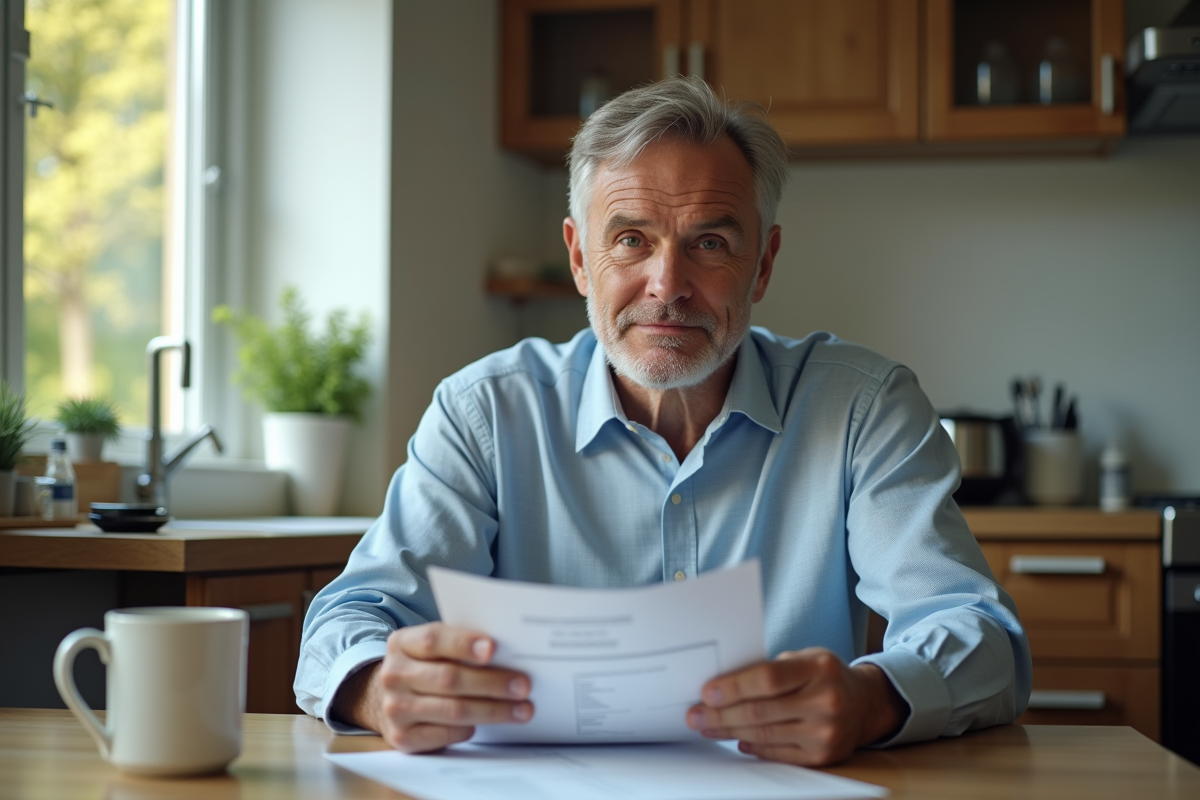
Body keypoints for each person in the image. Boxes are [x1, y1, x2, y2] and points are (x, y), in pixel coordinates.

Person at [295, 76, 1031, 767]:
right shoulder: (484, 412)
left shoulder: (862, 408)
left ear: (764, 265)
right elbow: (351, 617)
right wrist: (373, 685)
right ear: (581, 259)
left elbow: (983, 636)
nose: (668, 286)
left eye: (710, 243)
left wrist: (873, 700)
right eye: (631, 239)